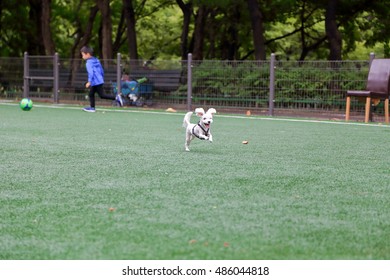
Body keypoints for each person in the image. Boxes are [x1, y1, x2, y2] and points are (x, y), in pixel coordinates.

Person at [80, 46, 123, 112]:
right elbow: (101, 70)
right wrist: (101, 77)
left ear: (87, 54)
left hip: (95, 81)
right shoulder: (96, 60)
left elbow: (90, 73)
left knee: (99, 95)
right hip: (99, 80)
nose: (82, 56)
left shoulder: (88, 63)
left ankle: (93, 108)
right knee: (94, 94)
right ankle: (92, 107)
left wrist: (89, 81)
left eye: (83, 55)